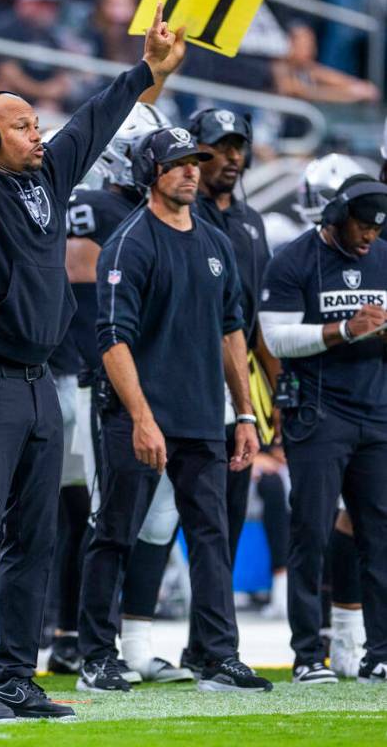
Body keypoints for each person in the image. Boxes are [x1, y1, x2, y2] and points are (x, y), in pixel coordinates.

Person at [0, 0, 184, 720]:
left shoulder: (49, 181)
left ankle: (14, 676)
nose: (37, 133)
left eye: (34, 122)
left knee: (34, 537)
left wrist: (147, 72)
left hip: (36, 384)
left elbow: (91, 123)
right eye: (21, 125)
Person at [78, 126, 271, 694]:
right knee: (114, 532)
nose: (191, 171)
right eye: (178, 163)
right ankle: (95, 655)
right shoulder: (130, 244)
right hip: (137, 418)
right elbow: (112, 338)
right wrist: (140, 417)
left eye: (195, 162)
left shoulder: (213, 241)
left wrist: (242, 414)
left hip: (203, 419)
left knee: (212, 535)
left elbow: (232, 329)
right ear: (149, 173)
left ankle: (216, 655)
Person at [54, 103, 192, 685]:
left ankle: (135, 644)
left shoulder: (160, 212)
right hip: (103, 384)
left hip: (162, 387)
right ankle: (88, 647)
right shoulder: (94, 207)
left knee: (159, 518)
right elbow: (87, 310)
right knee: (105, 516)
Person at [259, 173, 387, 685]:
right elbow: (276, 337)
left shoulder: (383, 254)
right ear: (335, 217)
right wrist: (343, 330)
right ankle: (309, 653)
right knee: (309, 533)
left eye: (377, 231)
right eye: (362, 227)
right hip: (317, 415)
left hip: (376, 412)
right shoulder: (294, 258)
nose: (369, 238)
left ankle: (379, 650)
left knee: (379, 536)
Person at [178, 107, 279, 673]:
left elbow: (254, 321)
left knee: (228, 521)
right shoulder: (178, 218)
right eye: (221, 146)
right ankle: (106, 642)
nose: (234, 157)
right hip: (182, 386)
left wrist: (268, 398)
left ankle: (205, 645)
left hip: (238, 390)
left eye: (239, 145)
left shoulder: (253, 222)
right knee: (152, 520)